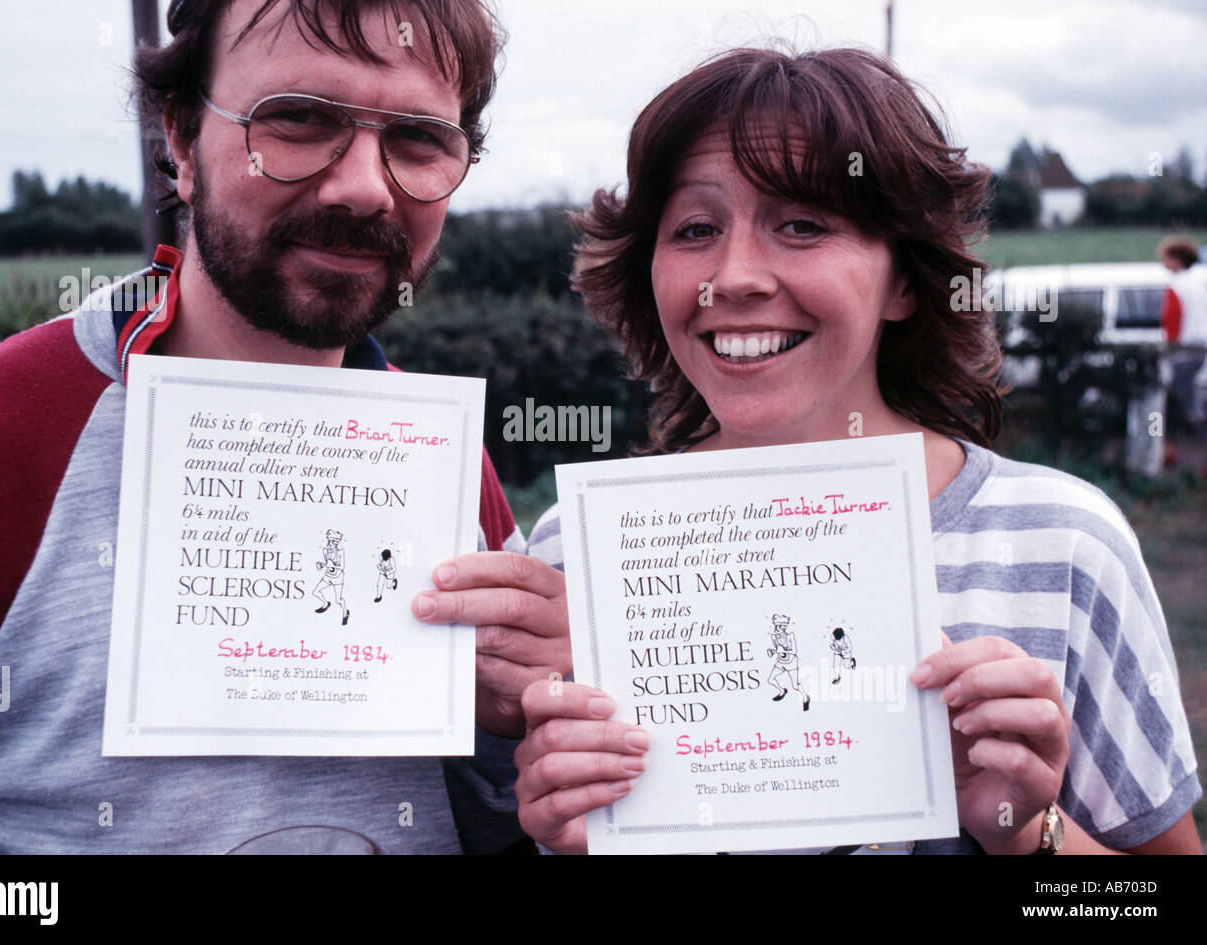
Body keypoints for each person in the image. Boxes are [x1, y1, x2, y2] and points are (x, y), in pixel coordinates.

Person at [0, 0, 570, 854]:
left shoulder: (447, 466)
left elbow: (494, 826)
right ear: (182, 138)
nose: (365, 186)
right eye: (298, 118)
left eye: (417, 138)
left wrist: (526, 731)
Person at [516, 46, 1202, 855]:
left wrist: (1025, 833)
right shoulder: (576, 555)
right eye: (696, 228)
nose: (733, 276)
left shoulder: (1063, 544)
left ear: (906, 280)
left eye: (803, 224)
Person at [1157, 235, 1207, 469]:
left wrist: (1168, 346)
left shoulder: (1177, 284)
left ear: (1177, 259)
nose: (1163, 264)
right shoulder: (1204, 276)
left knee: (1181, 405)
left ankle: (1172, 453)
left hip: (1185, 350)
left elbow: (1171, 320)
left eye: (1165, 258)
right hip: (1203, 350)